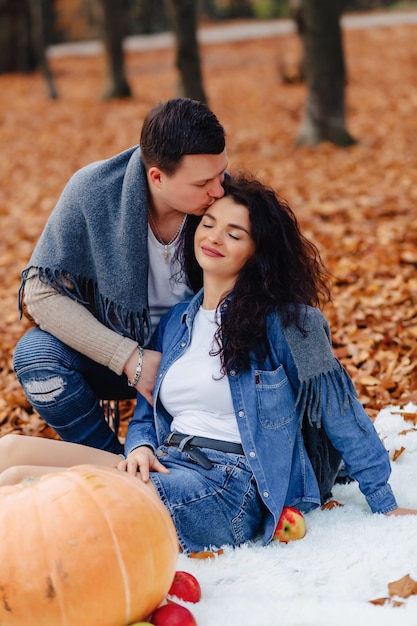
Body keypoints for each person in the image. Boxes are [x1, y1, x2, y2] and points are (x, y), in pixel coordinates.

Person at [3, 174, 417, 555]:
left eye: (234, 234)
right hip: (168, 463)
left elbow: (340, 412)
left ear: (258, 253)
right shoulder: (175, 323)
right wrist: (142, 447)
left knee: (26, 490)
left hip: (230, 487)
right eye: (208, 224)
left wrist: (384, 502)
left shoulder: (291, 323)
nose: (214, 238)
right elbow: (147, 411)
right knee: (10, 455)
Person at [13, 98, 228, 454]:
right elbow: (40, 293)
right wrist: (130, 359)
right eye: (204, 182)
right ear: (156, 176)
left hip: (205, 362)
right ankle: (110, 463)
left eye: (222, 173)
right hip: (117, 357)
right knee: (36, 357)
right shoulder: (94, 191)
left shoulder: (230, 201)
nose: (219, 190)